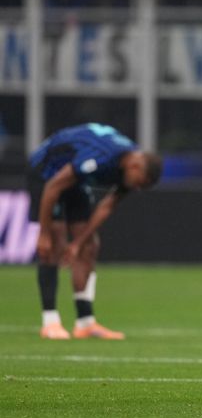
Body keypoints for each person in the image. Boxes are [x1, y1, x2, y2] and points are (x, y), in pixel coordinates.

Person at [27, 123, 162, 340]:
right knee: (55, 242)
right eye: (139, 183)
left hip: (76, 179)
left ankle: (85, 323)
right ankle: (50, 322)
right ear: (135, 167)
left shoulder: (129, 167)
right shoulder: (101, 158)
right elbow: (53, 187)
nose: (136, 188)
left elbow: (106, 206)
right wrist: (43, 234)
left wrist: (78, 242)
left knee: (90, 246)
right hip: (46, 173)